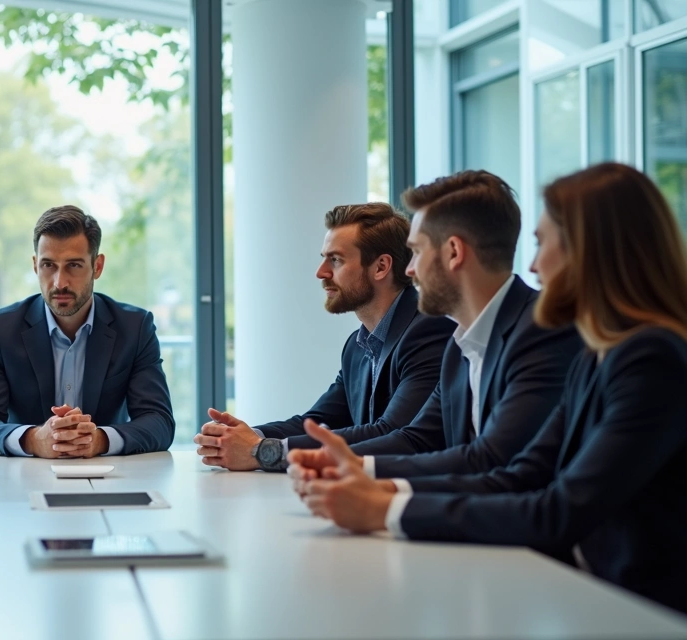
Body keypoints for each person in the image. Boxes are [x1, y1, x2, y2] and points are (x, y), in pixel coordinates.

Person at [294, 163, 687, 614]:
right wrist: (372, 485)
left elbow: (555, 507)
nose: (534, 265)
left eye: (542, 244)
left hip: (634, 609)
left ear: (588, 253)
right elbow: (521, 474)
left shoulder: (648, 358)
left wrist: (381, 509)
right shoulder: (595, 355)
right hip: (574, 590)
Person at [283, 171, 582, 481]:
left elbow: (492, 461)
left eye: (417, 252)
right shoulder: (459, 343)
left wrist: (383, 503)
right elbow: (417, 439)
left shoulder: (544, 331)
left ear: (454, 252)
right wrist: (340, 466)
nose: (410, 269)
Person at [196, 203, 455, 471]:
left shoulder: (428, 331)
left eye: (336, 260)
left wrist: (261, 451)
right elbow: (318, 422)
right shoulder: (358, 345)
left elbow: (393, 432)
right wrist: (243, 436)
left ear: (380, 267)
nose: (321, 272)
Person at [0, 205, 175, 457]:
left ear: (97, 266)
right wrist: (33, 440)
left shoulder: (135, 328)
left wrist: (100, 440)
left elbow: (159, 421)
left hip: (110, 480)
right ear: (35, 265)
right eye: (48, 265)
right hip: (23, 480)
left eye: (73, 265)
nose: (59, 282)